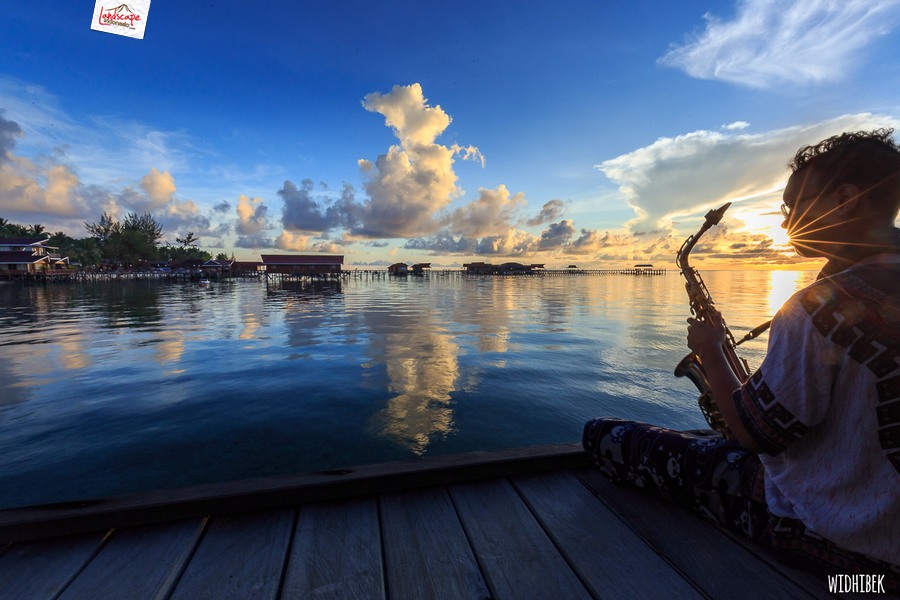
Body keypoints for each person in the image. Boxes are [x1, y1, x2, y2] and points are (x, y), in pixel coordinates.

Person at [583, 129, 900, 590]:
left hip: (855, 554)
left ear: (847, 199)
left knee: (603, 436)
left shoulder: (818, 308)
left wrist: (710, 352)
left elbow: (756, 435)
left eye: (794, 205)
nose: (786, 219)